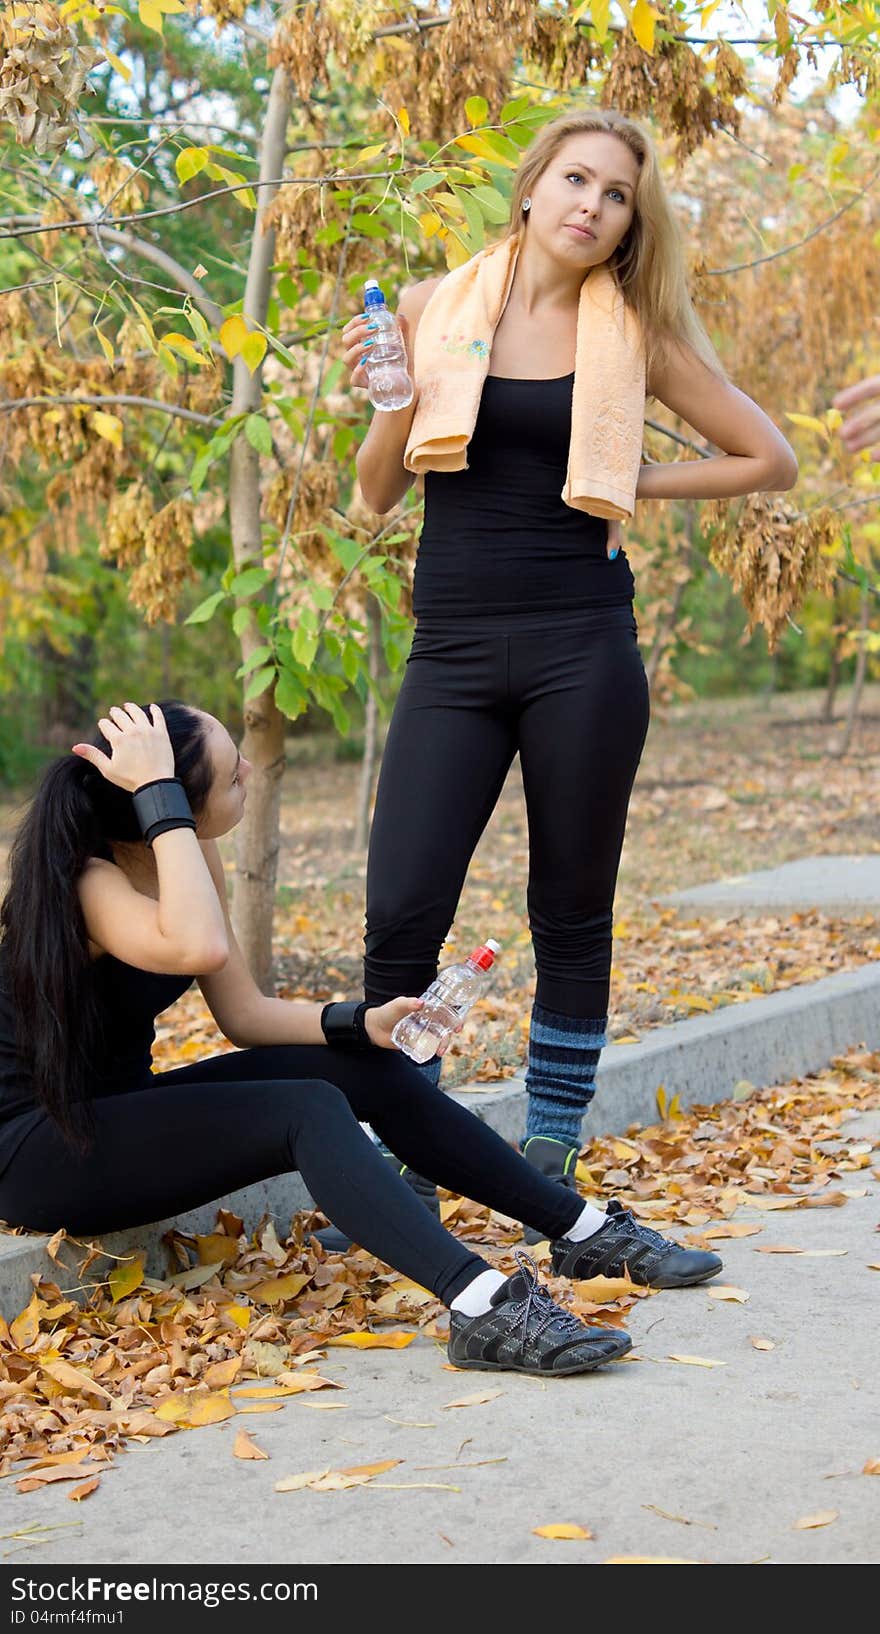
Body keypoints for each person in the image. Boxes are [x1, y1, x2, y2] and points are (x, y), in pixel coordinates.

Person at [339, 105, 798, 1243]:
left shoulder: (635, 334)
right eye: (577, 179)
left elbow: (767, 456)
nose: (592, 204)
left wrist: (628, 480)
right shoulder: (429, 309)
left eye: (617, 195)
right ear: (534, 187)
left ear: (626, 224)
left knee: (570, 904)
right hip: (448, 647)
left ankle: (551, 1135)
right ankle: (410, 1144)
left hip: (579, 646)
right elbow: (373, 495)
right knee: (401, 909)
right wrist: (392, 402)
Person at [0, 700, 722, 1380]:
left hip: (112, 1111)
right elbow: (195, 947)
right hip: (38, 1149)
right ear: (167, 806)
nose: (249, 770)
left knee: (354, 1065)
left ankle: (583, 1230)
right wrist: (164, 797)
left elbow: (245, 1014)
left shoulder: (185, 854)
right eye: (231, 772)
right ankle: (479, 1306)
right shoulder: (89, 882)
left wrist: (360, 1022)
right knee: (305, 1109)